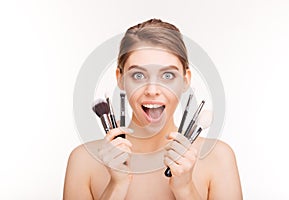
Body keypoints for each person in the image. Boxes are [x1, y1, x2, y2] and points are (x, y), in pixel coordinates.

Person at [63, 19, 243, 200]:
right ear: (121, 79)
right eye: (138, 75)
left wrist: (185, 188)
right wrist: (117, 185)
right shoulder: (83, 161)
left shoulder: (218, 158)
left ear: (185, 80)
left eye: (167, 75)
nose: (152, 90)